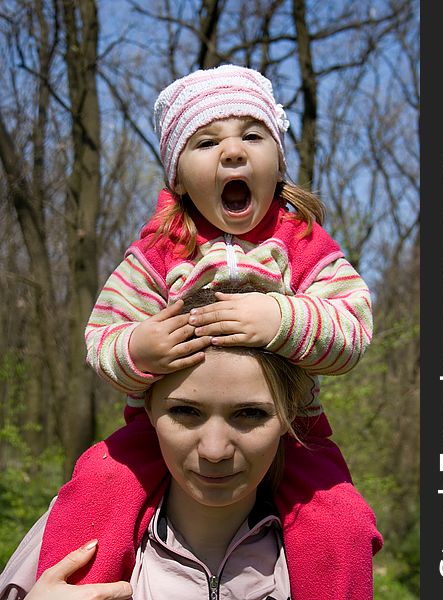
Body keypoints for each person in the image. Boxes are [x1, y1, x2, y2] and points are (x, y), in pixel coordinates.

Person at [36, 65, 382, 599]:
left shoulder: (303, 243)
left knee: (342, 521)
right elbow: (103, 335)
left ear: (278, 161)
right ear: (177, 175)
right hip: (162, 430)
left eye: (252, 135)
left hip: (296, 432)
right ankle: (76, 589)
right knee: (96, 484)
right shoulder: (158, 248)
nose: (233, 152)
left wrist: (279, 319)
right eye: (205, 141)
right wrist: (143, 347)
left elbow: (353, 327)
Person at [0, 333, 314, 599]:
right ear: (148, 408)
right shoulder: (69, 522)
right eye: (185, 411)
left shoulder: (321, 565)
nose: (215, 450)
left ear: (289, 414)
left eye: (249, 414)